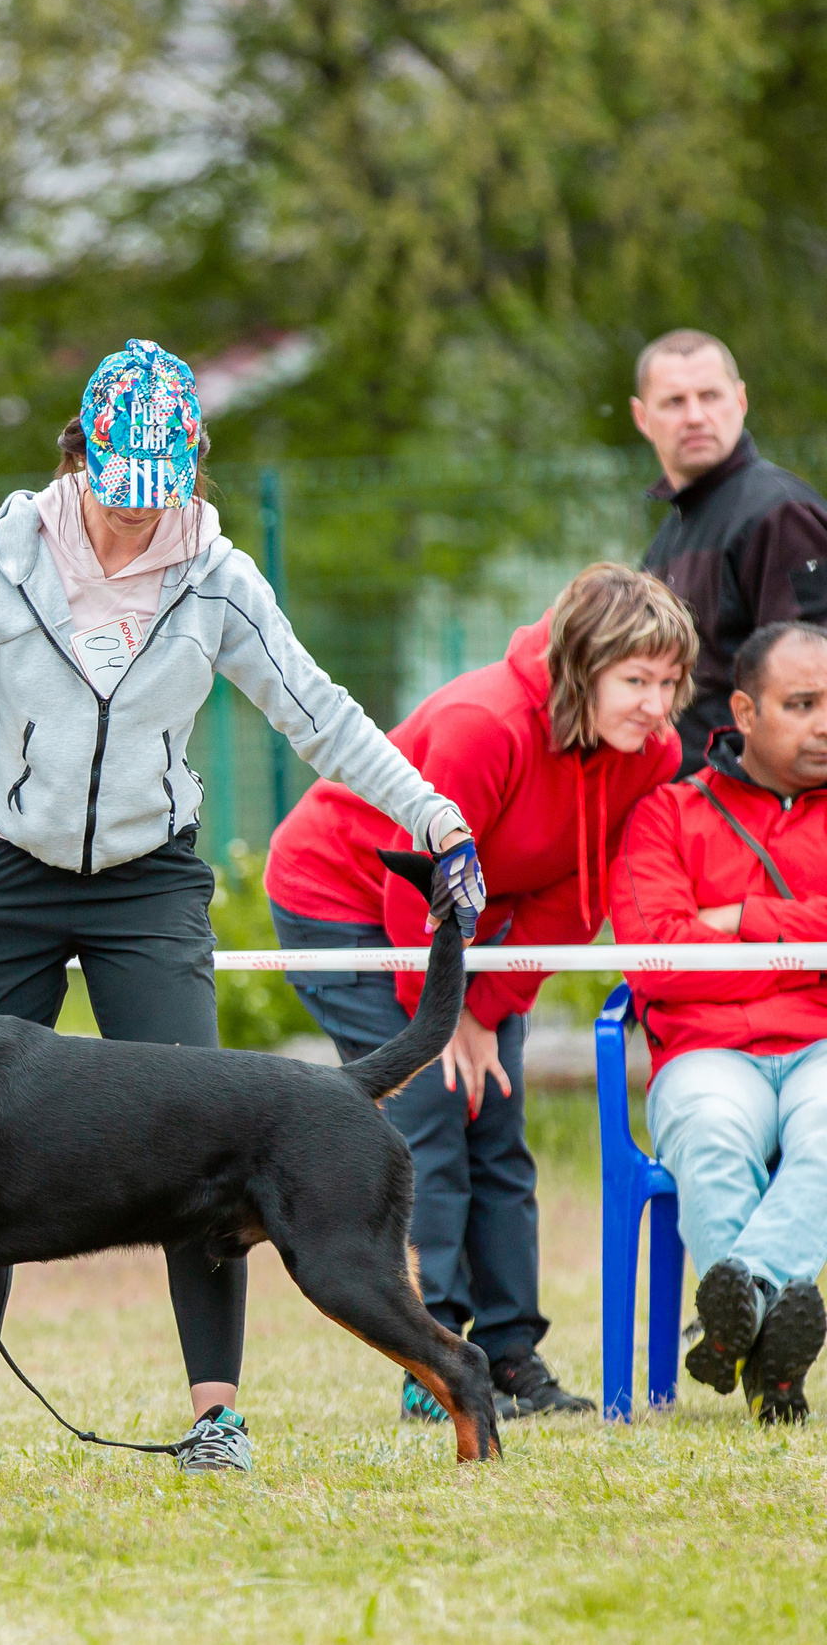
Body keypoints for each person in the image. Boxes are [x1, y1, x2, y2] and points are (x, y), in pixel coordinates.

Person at [0, 340, 480, 1475]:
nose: (137, 522)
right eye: (119, 495)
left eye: (159, 495)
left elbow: (317, 713)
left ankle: (213, 1414)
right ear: (79, 458)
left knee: (201, 1127)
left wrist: (432, 816)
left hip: (149, 878)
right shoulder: (3, 555)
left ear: (189, 470)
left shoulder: (218, 577)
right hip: (3, 865)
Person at [267, 564, 697, 1423]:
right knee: (429, 1110)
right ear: (582, 668)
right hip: (351, 896)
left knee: (495, 1123)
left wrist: (486, 1013)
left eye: (671, 682)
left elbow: (571, 904)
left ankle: (512, 1358)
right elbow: (408, 884)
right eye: (636, 680)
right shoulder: (484, 724)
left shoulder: (653, 755)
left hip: (476, 922)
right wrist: (450, 1015)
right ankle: (434, 1355)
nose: (659, 705)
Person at [612, 619, 827, 1423]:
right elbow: (658, 958)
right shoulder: (663, 816)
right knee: (707, 1132)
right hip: (706, 1053)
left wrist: (741, 918)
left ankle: (748, 1308)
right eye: (801, 704)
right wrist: (808, 941)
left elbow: (695, 946)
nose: (824, 723)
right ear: (743, 709)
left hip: (820, 1047)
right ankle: (775, 1354)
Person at [635, 328, 827, 774]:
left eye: (710, 396)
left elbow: (813, 685)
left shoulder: (780, 515)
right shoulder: (675, 529)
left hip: (754, 816)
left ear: (740, 401)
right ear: (642, 417)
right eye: (674, 402)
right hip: (688, 806)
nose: (696, 416)